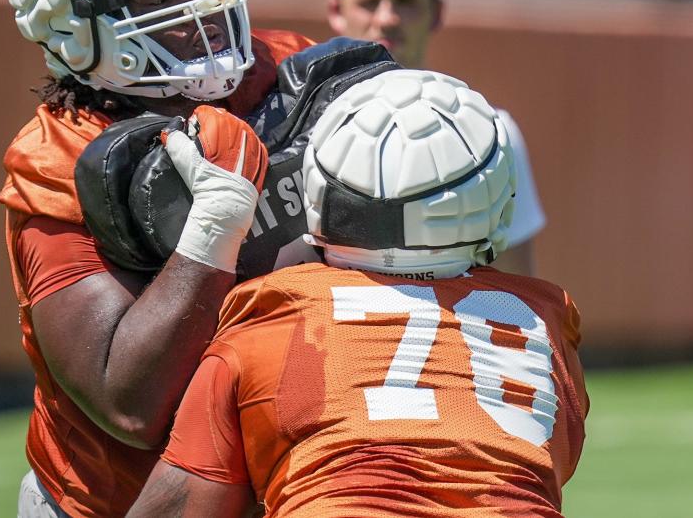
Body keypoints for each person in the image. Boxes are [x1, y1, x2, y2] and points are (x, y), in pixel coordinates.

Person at [127, 70, 588, 517]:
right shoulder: (545, 320)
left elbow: (185, 502)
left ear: (318, 188)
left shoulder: (273, 310)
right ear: (494, 198)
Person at [0, 0, 314, 516]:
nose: (198, 15)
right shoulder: (58, 163)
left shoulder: (287, 75)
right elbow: (132, 405)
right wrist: (216, 228)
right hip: (117, 499)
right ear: (73, 30)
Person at [326, 0, 547, 277]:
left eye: (405, 1)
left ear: (437, 12)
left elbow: (516, 287)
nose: (387, 18)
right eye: (369, 2)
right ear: (337, 11)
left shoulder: (491, 134)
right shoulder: (303, 129)